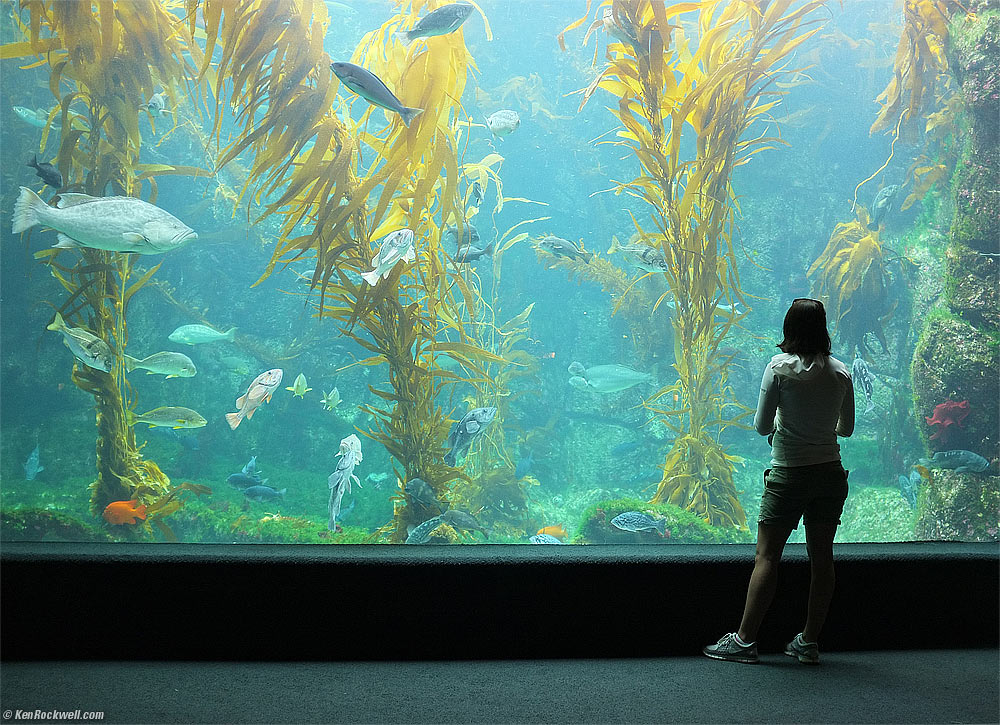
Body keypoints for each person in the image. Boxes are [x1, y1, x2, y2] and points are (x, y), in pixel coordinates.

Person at [703, 298, 854, 665]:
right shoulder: (841, 373)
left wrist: (786, 428)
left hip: (788, 474)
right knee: (822, 558)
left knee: (767, 555)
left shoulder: (778, 368)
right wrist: (819, 427)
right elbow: (846, 429)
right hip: (830, 475)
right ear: (823, 329)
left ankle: (744, 640)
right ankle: (809, 641)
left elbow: (761, 426)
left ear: (789, 328)